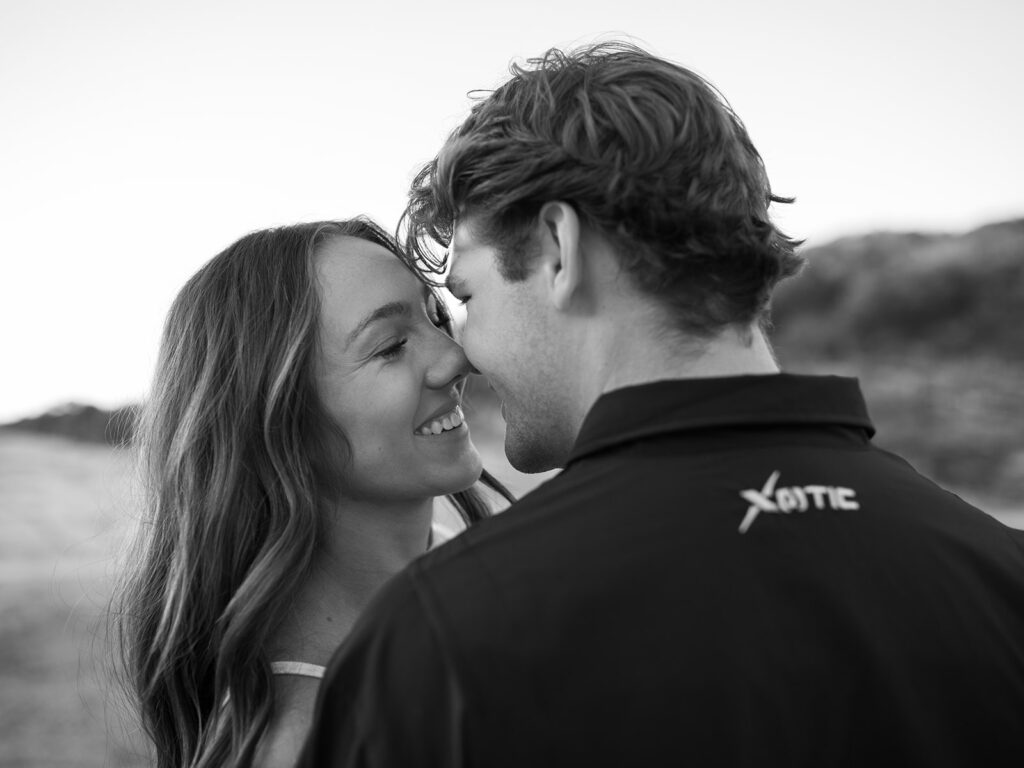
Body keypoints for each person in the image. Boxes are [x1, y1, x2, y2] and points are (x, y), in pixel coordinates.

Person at [299, 43, 1024, 767]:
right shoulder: (999, 570)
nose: (462, 353)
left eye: (465, 297)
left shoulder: (443, 642)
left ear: (558, 249)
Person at [113, 219, 512, 768]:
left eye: (436, 315)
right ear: (279, 425)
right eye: (392, 346)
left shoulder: (469, 573)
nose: (455, 358)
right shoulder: (305, 742)